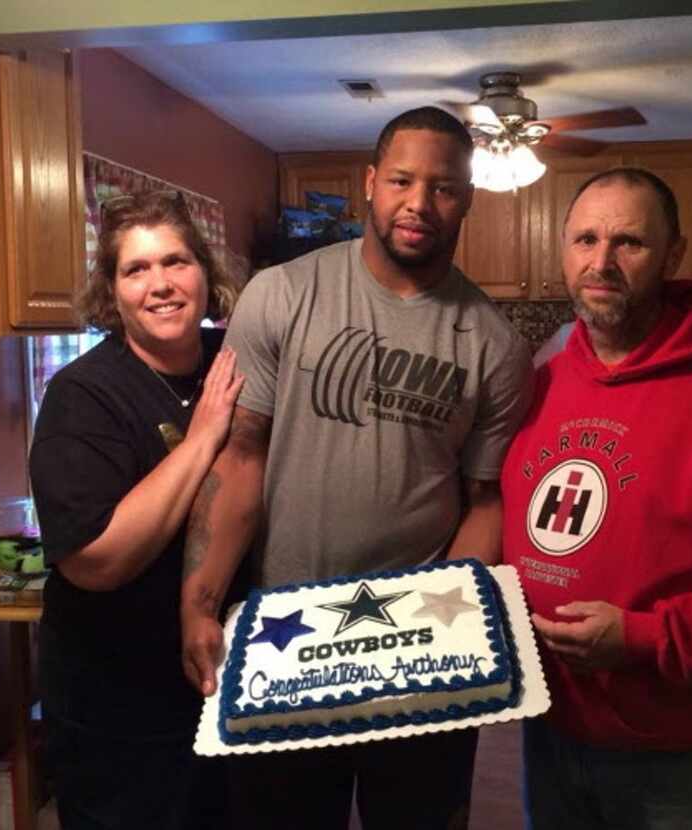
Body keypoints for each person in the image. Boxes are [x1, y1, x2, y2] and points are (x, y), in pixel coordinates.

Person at [180, 106, 533, 829]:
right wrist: (200, 598)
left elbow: (484, 500)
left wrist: (452, 628)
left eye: (442, 187)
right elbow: (240, 458)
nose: (418, 203)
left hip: (415, 655)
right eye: (402, 179)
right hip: (286, 636)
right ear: (371, 182)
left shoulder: (495, 345)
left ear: (467, 198)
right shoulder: (281, 293)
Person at [501, 167, 692, 829]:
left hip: (684, 748)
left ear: (674, 255)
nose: (600, 261)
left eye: (628, 242)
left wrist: (641, 637)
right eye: (584, 240)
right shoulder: (538, 384)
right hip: (552, 730)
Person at [30, 190, 245, 830]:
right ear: (112, 291)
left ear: (206, 273)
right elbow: (97, 561)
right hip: (119, 710)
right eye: (137, 269)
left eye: (176, 261)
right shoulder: (83, 396)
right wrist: (204, 437)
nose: (161, 285)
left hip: (226, 687)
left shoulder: (236, 363)